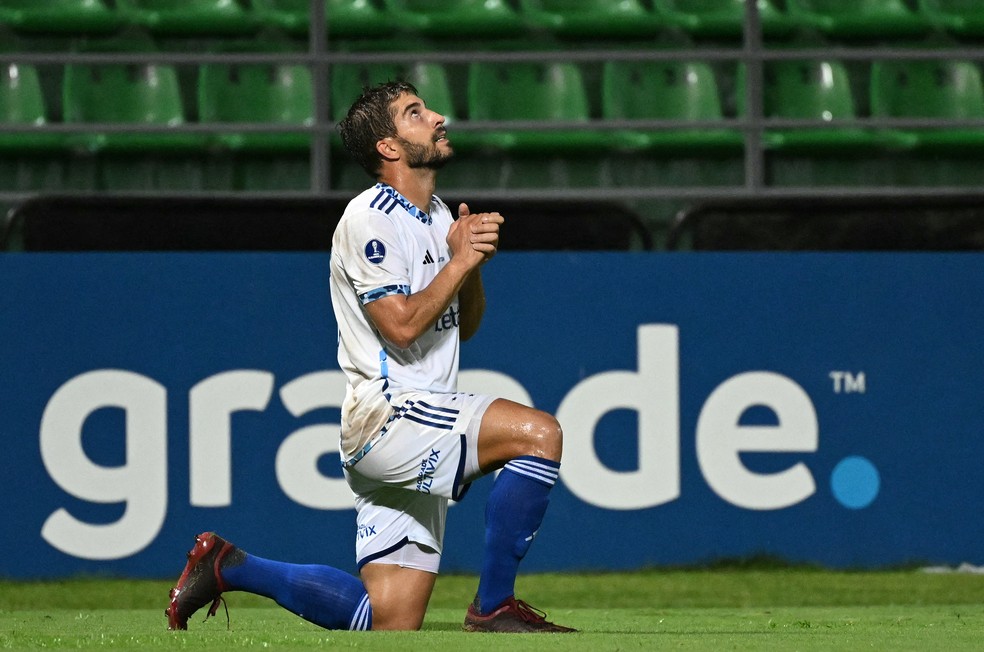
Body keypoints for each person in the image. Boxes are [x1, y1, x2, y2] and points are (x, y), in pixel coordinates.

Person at [165, 80, 575, 634]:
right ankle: (494, 605)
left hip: (412, 417)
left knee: (387, 619)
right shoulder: (370, 217)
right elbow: (401, 327)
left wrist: (467, 263)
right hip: (391, 414)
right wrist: (455, 265)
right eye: (415, 112)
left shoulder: (434, 219)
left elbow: (465, 326)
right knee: (538, 434)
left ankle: (230, 566)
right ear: (388, 146)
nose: (437, 116)